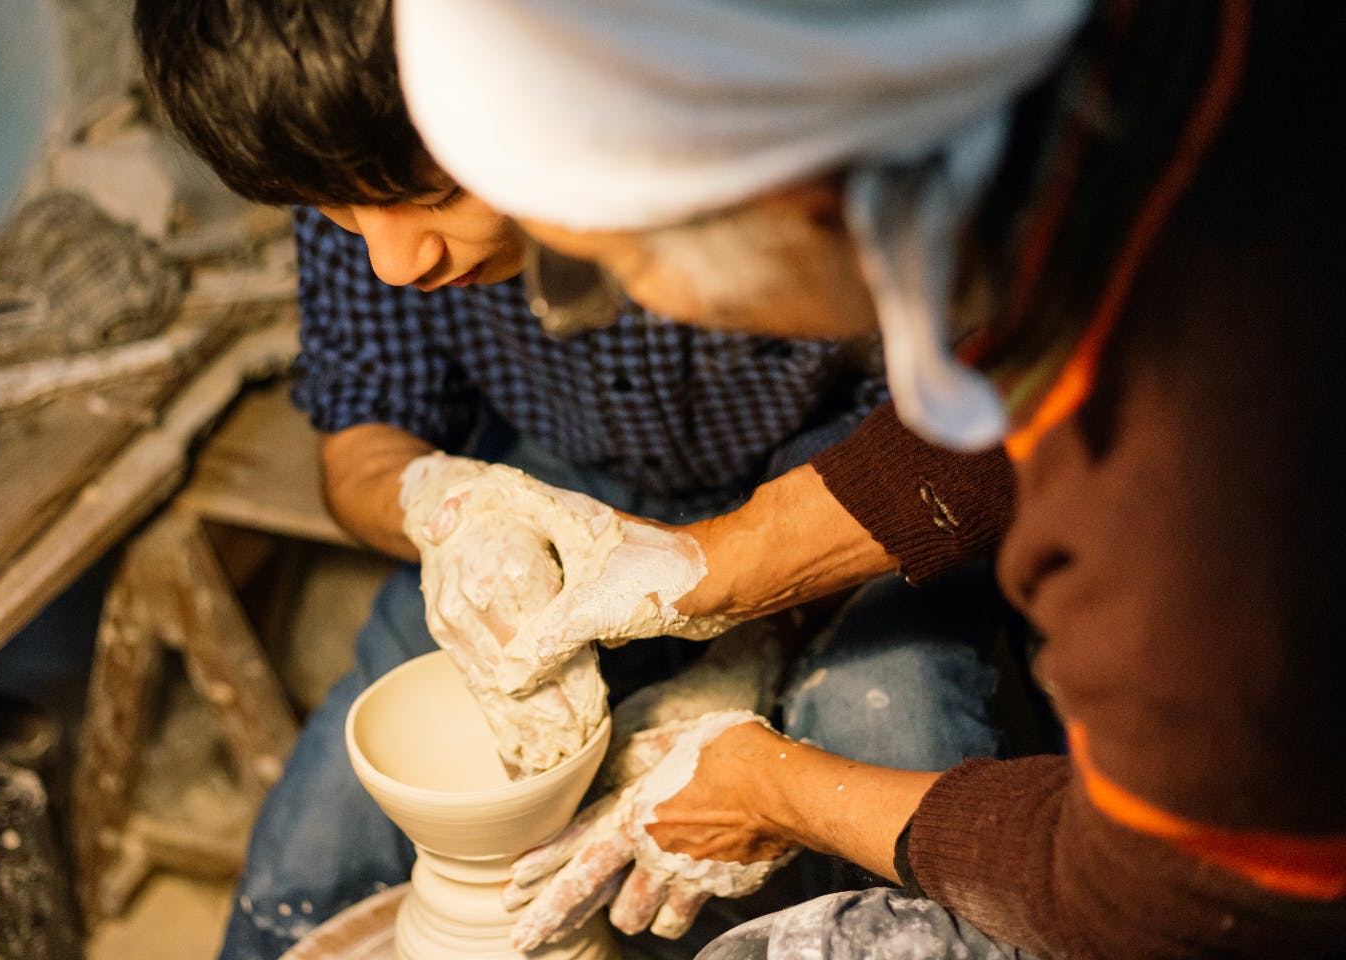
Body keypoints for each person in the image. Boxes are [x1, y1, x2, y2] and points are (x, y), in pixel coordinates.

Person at [392, 0, 1346, 958]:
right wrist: (712, 567)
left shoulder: (1179, 495)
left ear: (802, 197)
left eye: (617, 264)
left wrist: (772, 790)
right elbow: (992, 404)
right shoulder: (1168, 76)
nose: (631, 305)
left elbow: (1175, 902)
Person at [131, 1, 1028, 956]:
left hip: (845, 467)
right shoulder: (346, 138)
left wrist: (744, 631)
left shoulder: (727, 121)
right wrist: (451, 511)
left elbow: (967, 431)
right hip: (556, 480)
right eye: (338, 214)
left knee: (891, 730)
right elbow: (361, 438)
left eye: (430, 197)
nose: (395, 262)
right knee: (317, 848)